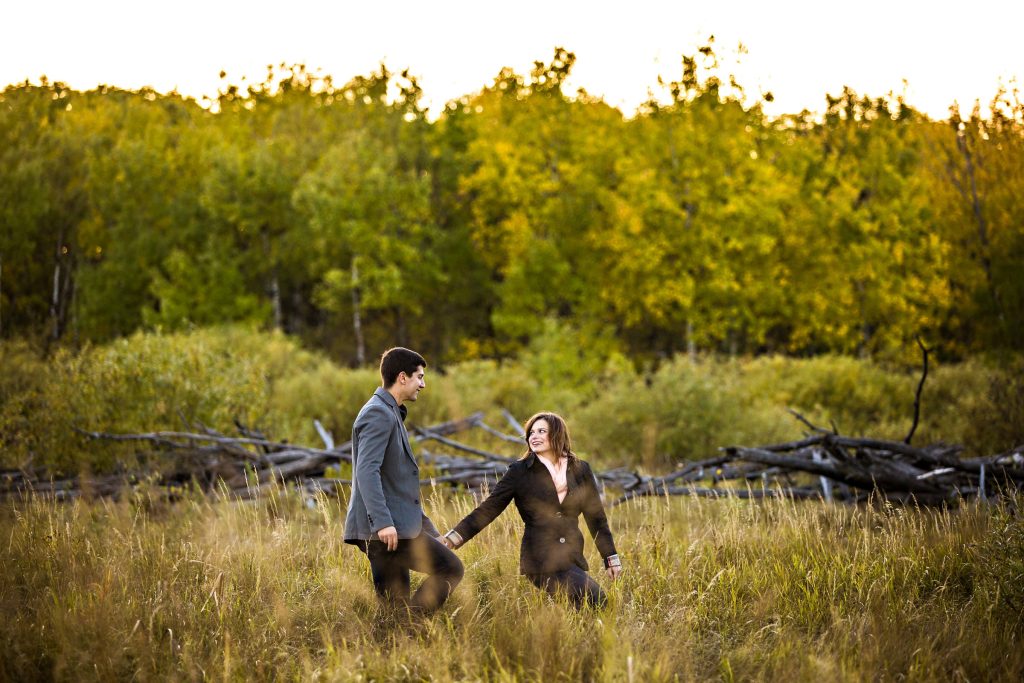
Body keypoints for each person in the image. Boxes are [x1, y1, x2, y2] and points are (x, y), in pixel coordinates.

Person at [441, 412, 622, 608]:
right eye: (531, 433)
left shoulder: (580, 469)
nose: (533, 436)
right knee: (597, 600)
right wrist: (452, 539)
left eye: (541, 431)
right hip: (540, 560)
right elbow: (489, 509)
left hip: (572, 556)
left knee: (580, 611)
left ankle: (572, 639)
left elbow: (596, 518)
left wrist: (610, 558)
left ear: (557, 434)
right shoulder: (519, 471)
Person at [344, 347, 463, 613]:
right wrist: (383, 522)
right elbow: (367, 471)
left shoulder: (391, 412)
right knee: (450, 568)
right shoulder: (378, 413)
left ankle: (398, 641)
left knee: (393, 605)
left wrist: (430, 532)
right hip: (385, 530)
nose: (423, 383)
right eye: (419, 377)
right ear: (402, 377)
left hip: (393, 528)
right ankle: (413, 627)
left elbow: (396, 485)